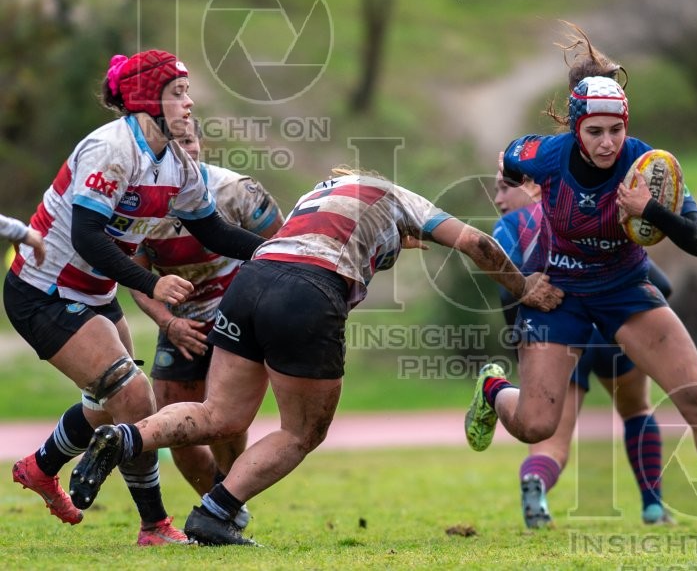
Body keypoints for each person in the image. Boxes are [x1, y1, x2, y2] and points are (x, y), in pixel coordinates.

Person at [67, 168, 564, 547]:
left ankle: (126, 437)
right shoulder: (399, 197)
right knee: (302, 431)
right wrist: (523, 287)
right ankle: (216, 513)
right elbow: (476, 242)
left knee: (219, 414)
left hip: (251, 278)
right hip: (308, 291)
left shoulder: (320, 194)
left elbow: (375, 241)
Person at [463, 49, 697, 535]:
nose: (607, 143)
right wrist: (520, 186)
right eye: (595, 132)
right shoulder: (546, 155)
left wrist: (650, 209)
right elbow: (512, 158)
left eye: (615, 130)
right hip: (561, 292)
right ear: (575, 130)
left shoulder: (651, 167)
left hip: (624, 289)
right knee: (537, 425)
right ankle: (493, 390)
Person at [6, 49, 267, 545]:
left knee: (107, 407)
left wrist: (278, 253)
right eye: (178, 93)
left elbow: (212, 230)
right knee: (133, 396)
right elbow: (86, 236)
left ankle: (40, 467)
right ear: (149, 99)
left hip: (94, 292)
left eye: (187, 92)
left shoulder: (177, 164)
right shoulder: (111, 149)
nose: (189, 103)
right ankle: (154, 526)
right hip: (43, 291)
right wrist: (152, 285)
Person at [494, 165, 674, 529]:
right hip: (612, 333)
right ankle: (654, 508)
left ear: (531, 185)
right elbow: (661, 284)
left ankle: (536, 483)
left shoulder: (512, 226)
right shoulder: (586, 213)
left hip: (559, 337)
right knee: (637, 409)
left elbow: (506, 291)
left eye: (504, 187)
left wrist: (524, 348)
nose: (498, 199)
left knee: (550, 439)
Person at [128, 118, 284, 527]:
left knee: (228, 424)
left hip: (236, 320)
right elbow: (136, 278)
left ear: (202, 144)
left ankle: (226, 505)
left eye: (189, 141)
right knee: (177, 432)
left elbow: (284, 250)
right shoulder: (136, 203)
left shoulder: (238, 191)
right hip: (181, 325)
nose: (183, 150)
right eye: (172, 143)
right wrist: (168, 322)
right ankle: (225, 507)